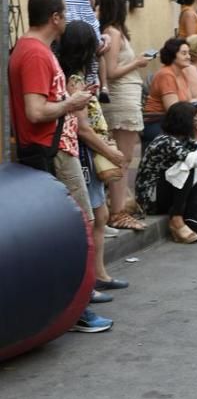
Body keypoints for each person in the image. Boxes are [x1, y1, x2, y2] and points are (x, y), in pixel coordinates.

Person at [8, 0, 113, 333]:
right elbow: (36, 111)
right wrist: (71, 103)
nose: (68, 18)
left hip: (55, 148)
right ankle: (78, 308)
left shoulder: (33, 50)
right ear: (54, 18)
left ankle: (75, 303)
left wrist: (71, 98)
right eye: (65, 13)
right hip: (53, 150)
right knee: (76, 230)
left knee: (73, 228)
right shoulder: (35, 53)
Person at [58, 21, 129, 298]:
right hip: (85, 154)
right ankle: (89, 281)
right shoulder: (74, 79)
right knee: (93, 216)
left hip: (88, 152)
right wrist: (110, 151)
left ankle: (99, 275)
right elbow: (83, 128)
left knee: (99, 215)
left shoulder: (76, 74)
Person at [99, 0, 149, 231]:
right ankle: (117, 212)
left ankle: (116, 208)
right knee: (122, 157)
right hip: (121, 99)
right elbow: (110, 71)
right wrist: (137, 63)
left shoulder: (114, 31)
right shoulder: (113, 32)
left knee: (122, 157)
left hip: (126, 96)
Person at [136, 102, 197, 243]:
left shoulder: (183, 139)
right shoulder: (165, 141)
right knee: (186, 166)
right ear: (184, 121)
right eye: (196, 119)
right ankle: (176, 218)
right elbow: (195, 162)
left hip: (164, 192)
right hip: (151, 200)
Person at [53, 0, 110, 102]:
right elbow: (92, 3)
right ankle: (99, 84)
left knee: (61, 54)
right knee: (97, 54)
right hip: (85, 25)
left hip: (67, 26)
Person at [142, 37, 192, 151]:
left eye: (189, 53)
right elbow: (173, 109)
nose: (188, 56)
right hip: (158, 121)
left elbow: (188, 101)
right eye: (184, 53)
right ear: (173, 55)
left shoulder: (182, 73)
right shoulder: (166, 74)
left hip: (176, 121)